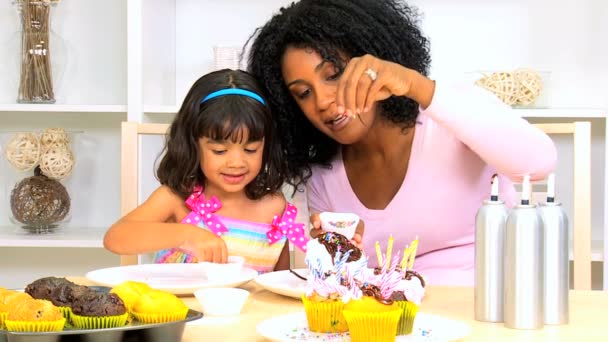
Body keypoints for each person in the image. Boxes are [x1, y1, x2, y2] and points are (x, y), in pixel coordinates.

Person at [247, 0, 556, 285]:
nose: (323, 101)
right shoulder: (323, 177)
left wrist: (414, 85)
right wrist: (335, 253)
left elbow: (538, 164)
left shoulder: (446, 116)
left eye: (334, 74)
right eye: (303, 93)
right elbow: (340, 283)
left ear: (374, 59)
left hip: (486, 312)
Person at [104, 69, 308, 273]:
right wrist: (186, 234)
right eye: (219, 150)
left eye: (250, 149)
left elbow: (276, 285)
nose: (237, 162)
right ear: (193, 144)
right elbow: (116, 237)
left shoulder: (274, 207)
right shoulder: (176, 199)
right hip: (177, 306)